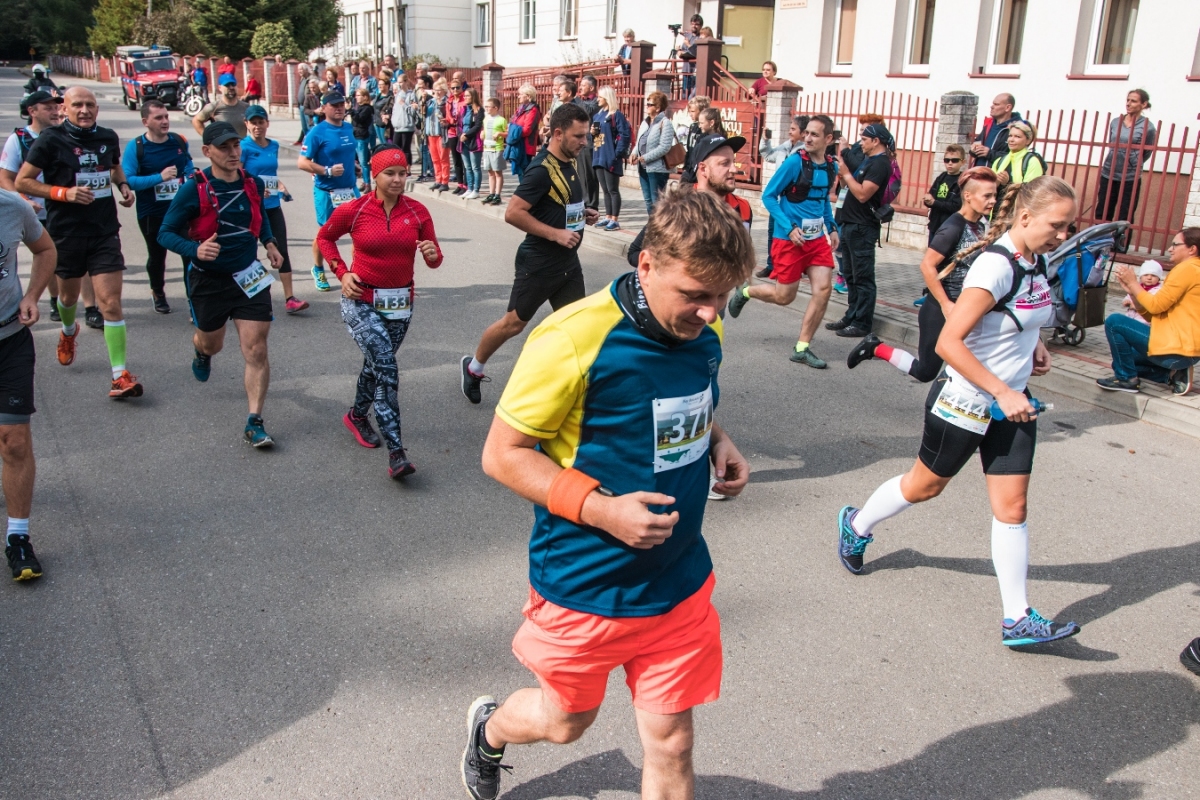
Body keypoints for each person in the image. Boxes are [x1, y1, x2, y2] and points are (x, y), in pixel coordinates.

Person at [460, 189, 751, 800]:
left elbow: (684, 400)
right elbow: (502, 455)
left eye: (722, 296)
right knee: (565, 722)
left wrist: (719, 439)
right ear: (646, 264)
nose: (709, 312)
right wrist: (602, 509)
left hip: (677, 582)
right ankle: (490, 730)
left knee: (673, 743)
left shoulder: (706, 328)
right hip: (586, 585)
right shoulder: (573, 337)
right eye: (695, 294)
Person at [839, 175, 1083, 648]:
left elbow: (1023, 317)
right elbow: (948, 343)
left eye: (1069, 225)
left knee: (1013, 507)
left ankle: (1017, 617)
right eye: (1057, 224)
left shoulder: (1037, 259)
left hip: (1012, 406)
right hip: (965, 401)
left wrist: (1036, 346)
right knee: (924, 486)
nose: (1063, 234)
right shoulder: (995, 267)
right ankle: (857, 524)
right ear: (1026, 217)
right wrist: (1001, 390)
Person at [317, 146, 443, 479]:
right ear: (375, 175)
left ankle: (357, 416)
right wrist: (342, 273)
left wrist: (432, 254)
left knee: (376, 366)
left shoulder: (417, 212)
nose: (398, 179)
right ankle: (397, 452)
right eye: (390, 173)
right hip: (360, 300)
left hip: (400, 303)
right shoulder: (355, 210)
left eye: (403, 173)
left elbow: (434, 257)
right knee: (386, 366)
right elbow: (325, 237)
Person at [460, 103, 598, 405]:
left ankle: (569, 390)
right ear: (558, 134)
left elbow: (557, 204)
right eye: (578, 136)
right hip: (539, 262)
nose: (584, 142)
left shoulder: (571, 160)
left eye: (586, 135)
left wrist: (581, 213)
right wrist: (556, 233)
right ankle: (474, 368)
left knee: (577, 326)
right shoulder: (540, 170)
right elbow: (513, 212)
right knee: (514, 323)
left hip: (567, 263)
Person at [158, 121, 284, 447]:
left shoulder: (252, 182)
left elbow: (260, 216)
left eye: (236, 146)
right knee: (212, 343)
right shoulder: (193, 188)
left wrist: (269, 243)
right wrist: (194, 249)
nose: (233, 152)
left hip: (249, 276)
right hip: (209, 280)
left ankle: (254, 421)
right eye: (224, 147)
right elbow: (165, 233)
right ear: (207, 151)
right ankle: (202, 351)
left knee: (256, 348)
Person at [15, 87, 143, 400]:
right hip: (66, 233)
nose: (84, 110)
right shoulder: (50, 139)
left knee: (110, 303)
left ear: (97, 109)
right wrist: (63, 193)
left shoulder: (107, 137)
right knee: (69, 298)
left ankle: (119, 375)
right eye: (78, 105)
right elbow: (23, 181)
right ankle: (69, 331)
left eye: (90, 105)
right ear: (65, 109)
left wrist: (123, 186)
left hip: (103, 232)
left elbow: (114, 166)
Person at [847, 167, 999, 381]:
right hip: (940, 308)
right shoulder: (953, 227)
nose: (993, 201)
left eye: (994, 195)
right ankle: (875, 348)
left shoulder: (981, 224)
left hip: (966, 309)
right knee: (925, 371)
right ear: (968, 196)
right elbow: (927, 266)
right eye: (987, 196)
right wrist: (946, 304)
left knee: (975, 365)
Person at [728, 116, 838, 369]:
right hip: (789, 240)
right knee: (784, 296)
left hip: (816, 240)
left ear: (828, 139)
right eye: (806, 133)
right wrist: (789, 228)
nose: (807, 138)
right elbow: (768, 196)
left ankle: (802, 348)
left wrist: (832, 227)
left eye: (814, 135)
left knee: (823, 289)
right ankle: (746, 292)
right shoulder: (794, 162)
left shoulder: (831, 166)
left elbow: (822, 200)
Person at [0, 187, 57, 582]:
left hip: (9, 340)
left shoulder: (12, 206)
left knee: (14, 441)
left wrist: (33, 295)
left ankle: (17, 537)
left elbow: (46, 249)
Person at [0, 89, 92, 324]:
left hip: (65, 208)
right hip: (36, 211)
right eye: (48, 107)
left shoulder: (65, 135)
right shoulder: (19, 139)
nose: (54, 111)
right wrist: (23, 201)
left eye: (56, 107)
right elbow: (6, 178)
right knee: (48, 253)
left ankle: (91, 306)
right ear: (32, 111)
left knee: (81, 255)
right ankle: (54, 297)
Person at [1096, 228, 1200, 396]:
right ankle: (1171, 374)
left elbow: (1155, 306)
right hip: (1184, 352)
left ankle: (1127, 380)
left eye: (1175, 244)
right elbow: (1154, 314)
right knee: (1122, 361)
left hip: (1176, 350)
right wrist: (1133, 293)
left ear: (1192, 249)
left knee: (1115, 322)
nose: (1170, 249)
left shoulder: (1186, 269)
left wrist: (1134, 283)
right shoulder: (1192, 270)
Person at [122, 100, 194, 315]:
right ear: (146, 121)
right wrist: (159, 177)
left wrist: (190, 177)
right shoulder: (137, 147)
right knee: (157, 256)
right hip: (151, 212)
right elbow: (129, 180)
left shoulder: (179, 141)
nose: (165, 121)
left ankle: (193, 299)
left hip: (180, 211)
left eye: (166, 116)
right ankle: (158, 292)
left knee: (189, 254)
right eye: (158, 118)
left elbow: (189, 167)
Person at [241, 105, 308, 314]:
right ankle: (250, 299)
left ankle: (290, 298)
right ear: (246, 124)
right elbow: (238, 177)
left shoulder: (274, 146)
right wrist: (254, 190)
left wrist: (280, 185)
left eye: (261, 122)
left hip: (272, 206)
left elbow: (270, 174)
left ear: (267, 124)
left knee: (282, 249)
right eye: (253, 123)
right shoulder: (243, 147)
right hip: (251, 208)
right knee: (249, 253)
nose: (258, 126)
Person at [829, 122, 893, 338]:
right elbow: (850, 187)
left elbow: (864, 194)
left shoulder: (880, 164)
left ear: (876, 141)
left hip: (863, 227)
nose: (861, 143)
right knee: (850, 274)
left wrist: (847, 174)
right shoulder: (868, 160)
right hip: (850, 223)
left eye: (865, 139)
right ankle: (851, 315)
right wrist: (844, 176)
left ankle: (862, 323)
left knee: (863, 277)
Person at [297, 91, 359, 292]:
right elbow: (302, 162)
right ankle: (318, 268)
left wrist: (354, 166)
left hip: (350, 190)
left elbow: (347, 154)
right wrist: (327, 171)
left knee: (359, 232)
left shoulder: (348, 128)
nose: (339, 108)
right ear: (324, 108)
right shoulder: (316, 132)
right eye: (334, 105)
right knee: (325, 234)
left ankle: (357, 271)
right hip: (327, 191)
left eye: (341, 104)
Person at [756, 114, 809, 279]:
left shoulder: (804, 153)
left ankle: (795, 266)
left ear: (803, 133)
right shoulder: (785, 147)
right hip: (777, 200)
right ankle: (771, 265)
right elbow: (768, 155)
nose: (789, 132)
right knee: (773, 232)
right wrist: (765, 140)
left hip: (794, 202)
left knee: (794, 234)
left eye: (793, 129)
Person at [1097, 89, 1156, 225]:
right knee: (1103, 211)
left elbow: (1146, 152)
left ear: (1143, 104)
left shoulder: (1148, 127)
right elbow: (1112, 144)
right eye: (1127, 100)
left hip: (1130, 176)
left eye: (1133, 101)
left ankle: (1120, 240)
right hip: (1109, 172)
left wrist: (1133, 162)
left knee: (1125, 214)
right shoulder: (1115, 122)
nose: (1128, 104)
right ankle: (1100, 238)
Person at [591, 86, 631, 231]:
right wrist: (592, 133)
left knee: (613, 189)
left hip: (610, 157)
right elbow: (595, 135)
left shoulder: (616, 115)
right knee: (605, 190)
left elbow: (624, 135)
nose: (598, 99)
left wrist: (616, 154)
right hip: (598, 155)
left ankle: (615, 219)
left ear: (607, 98)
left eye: (600, 97)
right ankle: (608, 216)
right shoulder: (598, 115)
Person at [630, 92, 676, 215]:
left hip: (657, 169)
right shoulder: (645, 122)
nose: (647, 107)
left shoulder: (665, 123)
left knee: (657, 201)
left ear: (658, 108)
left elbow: (664, 147)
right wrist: (634, 153)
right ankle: (652, 224)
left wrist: (645, 157)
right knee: (648, 200)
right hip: (643, 167)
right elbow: (640, 141)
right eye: (647, 104)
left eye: (650, 105)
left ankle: (659, 224)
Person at [992, 121, 1045, 201]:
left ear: (1028, 140)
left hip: (1017, 207)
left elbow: (1031, 192)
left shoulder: (1032, 162)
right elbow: (989, 187)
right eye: (1010, 136)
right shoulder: (999, 161)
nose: (1011, 140)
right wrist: (996, 182)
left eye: (1017, 136)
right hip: (996, 206)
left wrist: (1008, 183)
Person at [925, 144, 966, 241]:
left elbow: (956, 206)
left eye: (954, 160)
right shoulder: (941, 177)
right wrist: (927, 200)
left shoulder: (962, 181)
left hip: (950, 226)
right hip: (935, 224)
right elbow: (931, 196)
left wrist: (935, 203)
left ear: (963, 162)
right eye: (947, 160)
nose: (950, 163)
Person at [971, 93, 1022, 168]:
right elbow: (978, 142)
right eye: (993, 104)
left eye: (996, 104)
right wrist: (974, 148)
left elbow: (1017, 156)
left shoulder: (1017, 128)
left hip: (998, 174)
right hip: (979, 172)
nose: (991, 107)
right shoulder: (989, 124)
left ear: (1008, 107)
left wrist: (990, 153)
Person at [193, 74, 249, 139]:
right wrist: (207, 137)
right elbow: (196, 120)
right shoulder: (213, 107)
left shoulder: (246, 107)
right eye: (227, 85)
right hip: (221, 145)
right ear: (220, 88)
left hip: (241, 144)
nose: (231, 88)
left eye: (233, 84)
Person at [505, 84, 542, 181]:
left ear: (528, 96)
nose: (518, 96)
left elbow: (527, 130)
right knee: (520, 173)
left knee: (524, 174)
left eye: (521, 94)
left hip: (526, 147)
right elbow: (513, 123)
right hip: (517, 144)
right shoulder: (521, 108)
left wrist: (512, 130)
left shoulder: (533, 110)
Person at [425, 79, 451, 191]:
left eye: (439, 90)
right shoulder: (430, 102)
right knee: (435, 159)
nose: (437, 92)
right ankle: (438, 179)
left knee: (443, 158)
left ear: (444, 90)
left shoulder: (447, 102)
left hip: (441, 133)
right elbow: (422, 115)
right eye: (435, 90)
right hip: (431, 133)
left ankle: (445, 181)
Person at [481, 97, 508, 205]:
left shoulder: (501, 120)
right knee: (490, 172)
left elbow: (507, 133)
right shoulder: (486, 119)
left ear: (495, 108)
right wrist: (482, 133)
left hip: (496, 148)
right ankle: (491, 193)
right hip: (487, 148)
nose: (487, 109)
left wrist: (500, 134)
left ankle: (497, 195)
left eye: (488, 107)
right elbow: (484, 130)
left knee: (498, 172)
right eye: (486, 107)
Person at [459, 88, 484, 199]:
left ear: (473, 97)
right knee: (467, 167)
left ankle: (476, 190)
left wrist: (467, 135)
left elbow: (477, 126)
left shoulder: (479, 110)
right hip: (463, 141)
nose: (465, 98)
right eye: (464, 96)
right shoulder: (464, 109)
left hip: (474, 141)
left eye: (467, 96)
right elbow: (459, 124)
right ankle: (469, 188)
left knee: (475, 167)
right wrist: (460, 134)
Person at [391, 73, 419, 165]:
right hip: (397, 126)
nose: (399, 84)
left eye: (401, 82)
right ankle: (398, 166)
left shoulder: (411, 95)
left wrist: (404, 105)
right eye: (398, 82)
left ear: (406, 82)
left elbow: (413, 111)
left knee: (406, 149)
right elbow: (395, 110)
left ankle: (408, 168)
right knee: (396, 148)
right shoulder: (398, 95)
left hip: (407, 126)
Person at [445, 77, 468, 195]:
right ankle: (460, 184)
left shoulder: (465, 100)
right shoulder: (449, 101)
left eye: (457, 88)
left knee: (464, 158)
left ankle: (466, 184)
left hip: (461, 130)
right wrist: (447, 121)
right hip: (451, 131)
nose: (455, 90)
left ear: (461, 88)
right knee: (456, 159)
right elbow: (448, 115)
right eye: (453, 88)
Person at [350, 87, 375, 191]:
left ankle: (367, 183)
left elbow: (359, 119)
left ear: (365, 97)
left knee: (363, 162)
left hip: (362, 136)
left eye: (359, 95)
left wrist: (351, 110)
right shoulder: (359, 107)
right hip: (356, 135)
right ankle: (364, 181)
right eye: (356, 95)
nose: (356, 97)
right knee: (360, 162)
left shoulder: (367, 108)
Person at [679, 95, 710, 166]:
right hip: (690, 167)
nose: (690, 114)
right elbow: (689, 149)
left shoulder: (707, 129)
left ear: (702, 110)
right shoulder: (692, 127)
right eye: (689, 112)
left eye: (693, 111)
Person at [679, 14, 703, 97]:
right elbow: (684, 49)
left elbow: (698, 53)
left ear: (701, 26)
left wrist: (689, 45)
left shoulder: (701, 38)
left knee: (693, 95)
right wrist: (679, 52)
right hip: (686, 69)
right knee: (685, 94)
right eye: (692, 24)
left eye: (696, 24)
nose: (694, 26)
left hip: (695, 70)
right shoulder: (688, 36)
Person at [373, 69, 395, 147]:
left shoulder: (390, 97)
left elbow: (391, 110)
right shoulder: (378, 96)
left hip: (385, 124)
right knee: (382, 144)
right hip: (377, 122)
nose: (379, 86)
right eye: (379, 84)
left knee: (387, 143)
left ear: (387, 85)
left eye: (382, 84)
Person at [294, 63, 312, 144]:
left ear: (306, 69)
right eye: (298, 70)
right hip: (301, 106)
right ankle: (306, 142)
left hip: (307, 106)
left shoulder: (311, 79)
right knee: (304, 127)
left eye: (301, 69)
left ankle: (310, 142)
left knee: (309, 126)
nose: (299, 71)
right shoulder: (302, 79)